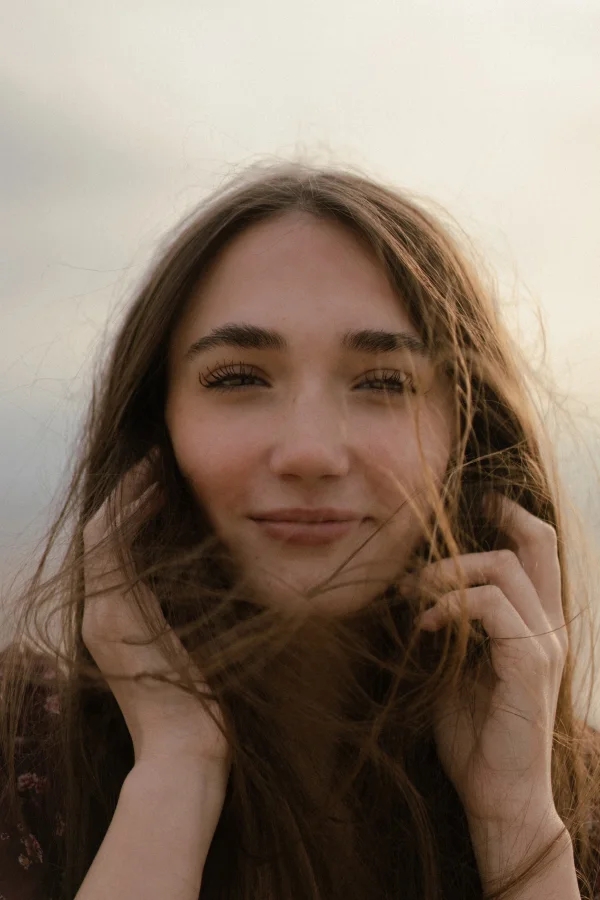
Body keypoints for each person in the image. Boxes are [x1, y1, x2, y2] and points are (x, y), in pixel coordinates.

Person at [0, 163, 599, 900]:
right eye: (239, 378)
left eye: (384, 382)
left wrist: (519, 824)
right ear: (155, 428)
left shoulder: (575, 801)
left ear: (469, 437)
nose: (310, 452)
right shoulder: (16, 753)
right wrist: (174, 774)